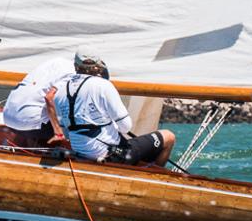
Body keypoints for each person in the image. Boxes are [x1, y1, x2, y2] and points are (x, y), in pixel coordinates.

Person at [44, 50, 175, 168]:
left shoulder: (60, 90)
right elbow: (126, 127)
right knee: (168, 137)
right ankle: (154, 178)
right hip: (112, 155)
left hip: (80, 152)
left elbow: (66, 132)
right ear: (97, 66)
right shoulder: (103, 85)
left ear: (75, 66)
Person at [1, 52, 87, 147]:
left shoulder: (56, 61)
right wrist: (59, 132)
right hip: (28, 124)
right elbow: (49, 97)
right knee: (76, 127)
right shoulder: (73, 74)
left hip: (7, 117)